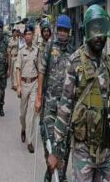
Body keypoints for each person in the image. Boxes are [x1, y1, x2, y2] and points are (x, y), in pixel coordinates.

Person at [48, 4, 110, 181]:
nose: (99, 36)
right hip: (83, 150)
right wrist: (56, 150)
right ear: (86, 31)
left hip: (107, 149)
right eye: (94, 29)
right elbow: (65, 108)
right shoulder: (75, 63)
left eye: (101, 30)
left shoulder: (109, 64)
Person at [36, 14, 74, 181]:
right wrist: (38, 97)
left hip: (66, 112)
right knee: (51, 149)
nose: (63, 33)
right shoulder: (50, 47)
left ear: (70, 32)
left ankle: (58, 176)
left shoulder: (74, 53)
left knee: (63, 151)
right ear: (56, 30)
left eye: (65, 30)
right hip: (49, 108)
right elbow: (42, 71)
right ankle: (52, 174)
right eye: (60, 30)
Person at [15, 25, 39, 153]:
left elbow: (40, 70)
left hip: (34, 83)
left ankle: (30, 141)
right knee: (22, 114)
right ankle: (23, 128)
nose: (28, 36)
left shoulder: (37, 50)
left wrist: (40, 89)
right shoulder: (21, 51)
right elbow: (17, 69)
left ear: (33, 36)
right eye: (26, 34)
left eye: (30, 34)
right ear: (24, 37)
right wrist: (18, 86)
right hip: (24, 84)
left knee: (31, 114)